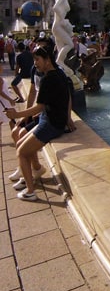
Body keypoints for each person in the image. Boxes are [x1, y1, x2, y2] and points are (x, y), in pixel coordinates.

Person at [5, 44, 71, 201]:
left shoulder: (49, 79)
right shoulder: (59, 74)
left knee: (21, 152)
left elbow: (39, 106)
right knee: (20, 141)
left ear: (48, 59)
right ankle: (35, 171)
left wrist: (17, 114)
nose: (35, 63)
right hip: (48, 120)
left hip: (51, 124)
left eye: (37, 60)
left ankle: (30, 191)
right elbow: (62, 98)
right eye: (34, 60)